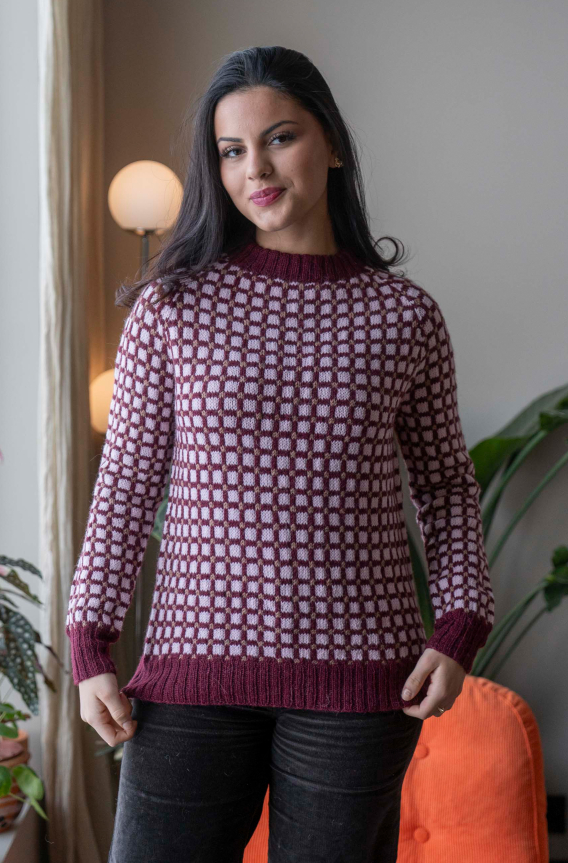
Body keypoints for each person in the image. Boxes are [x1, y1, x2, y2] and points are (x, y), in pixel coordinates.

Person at [65, 45, 495, 863]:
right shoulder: (171, 307)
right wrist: (90, 645)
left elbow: (445, 486)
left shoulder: (402, 316)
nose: (254, 169)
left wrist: (458, 626)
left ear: (329, 142)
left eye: (279, 138)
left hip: (357, 685)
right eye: (230, 150)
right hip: (192, 674)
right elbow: (124, 484)